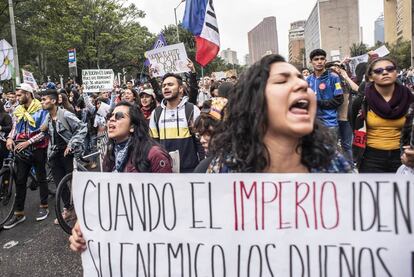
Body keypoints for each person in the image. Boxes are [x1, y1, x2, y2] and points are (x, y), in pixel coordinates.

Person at [195, 54, 352, 173]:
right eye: (282, 81)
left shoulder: (333, 163)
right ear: (254, 101)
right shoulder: (225, 169)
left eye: (300, 79)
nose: (302, 84)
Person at [70, 101, 172, 252]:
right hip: (120, 236)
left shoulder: (154, 154)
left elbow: (168, 204)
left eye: (118, 116)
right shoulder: (110, 155)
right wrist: (83, 223)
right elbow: (105, 195)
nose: (111, 119)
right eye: (110, 116)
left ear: (132, 126)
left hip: (147, 239)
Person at [352, 57, 414, 172]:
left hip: (402, 157)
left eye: (390, 69)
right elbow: (354, 126)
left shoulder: (410, 99)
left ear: (396, 73)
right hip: (370, 158)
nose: (385, 72)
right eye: (378, 71)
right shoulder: (362, 101)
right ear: (370, 77)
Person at [4, 83, 50, 229]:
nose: (16, 98)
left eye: (19, 95)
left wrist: (28, 142)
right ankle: (19, 213)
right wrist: (11, 138)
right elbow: (15, 127)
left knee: (41, 177)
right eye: (16, 95)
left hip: (38, 148)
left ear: (28, 94)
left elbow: (44, 131)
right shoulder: (18, 110)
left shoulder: (41, 109)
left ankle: (44, 205)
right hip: (21, 149)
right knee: (20, 180)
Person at [39, 89, 87, 224]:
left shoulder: (65, 115)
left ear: (53, 101)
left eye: (44, 100)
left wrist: (72, 143)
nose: (42, 102)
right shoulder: (48, 117)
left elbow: (82, 127)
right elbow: (44, 134)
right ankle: (68, 209)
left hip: (68, 153)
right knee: (61, 183)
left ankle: (82, 210)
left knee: (74, 183)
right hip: (54, 154)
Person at [149, 73, 205, 172]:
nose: (166, 87)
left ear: (180, 89)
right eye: (164, 85)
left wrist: (202, 168)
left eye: (170, 85)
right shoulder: (156, 113)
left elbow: (201, 141)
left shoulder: (192, 109)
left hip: (190, 171)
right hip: (164, 170)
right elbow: (153, 143)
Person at [307, 49, 344, 141]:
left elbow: (339, 100)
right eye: (316, 59)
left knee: (331, 153)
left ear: (325, 61)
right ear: (311, 62)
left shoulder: (334, 77)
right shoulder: (308, 80)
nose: (319, 62)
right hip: (313, 123)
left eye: (322, 59)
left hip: (329, 124)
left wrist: (317, 102)